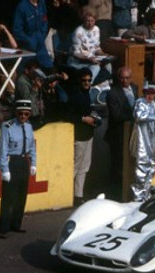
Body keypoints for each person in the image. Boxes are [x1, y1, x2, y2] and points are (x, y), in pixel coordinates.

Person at [0, 100, 37, 239]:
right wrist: (5, 170)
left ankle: (16, 224)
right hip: (11, 162)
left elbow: (32, 147)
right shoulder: (7, 127)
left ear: (29, 114)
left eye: (26, 114)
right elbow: (3, 150)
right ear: (16, 113)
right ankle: (3, 228)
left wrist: (33, 164)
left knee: (21, 196)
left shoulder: (29, 127)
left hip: (23, 162)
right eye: (20, 113)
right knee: (8, 198)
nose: (23, 116)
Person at [105, 67, 138, 201]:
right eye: (122, 78)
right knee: (118, 165)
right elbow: (116, 115)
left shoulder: (134, 88)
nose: (124, 81)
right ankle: (117, 194)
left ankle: (129, 192)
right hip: (118, 135)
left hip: (132, 134)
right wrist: (134, 116)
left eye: (127, 78)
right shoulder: (112, 93)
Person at [129, 81, 155, 202]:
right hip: (142, 143)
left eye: (152, 93)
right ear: (144, 93)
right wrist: (152, 116)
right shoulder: (139, 103)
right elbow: (139, 116)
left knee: (151, 168)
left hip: (153, 143)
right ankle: (138, 198)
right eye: (148, 93)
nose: (150, 96)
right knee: (141, 169)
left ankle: (146, 195)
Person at [67, 68, 97, 206]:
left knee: (85, 167)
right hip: (79, 136)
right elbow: (69, 115)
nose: (87, 83)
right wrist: (84, 119)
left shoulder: (87, 93)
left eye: (89, 80)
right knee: (75, 167)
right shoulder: (75, 95)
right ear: (79, 81)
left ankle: (78, 195)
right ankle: (68, 195)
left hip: (88, 134)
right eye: (84, 80)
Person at [67, 9, 112, 85]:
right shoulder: (78, 32)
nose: (90, 23)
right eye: (88, 21)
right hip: (77, 62)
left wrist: (103, 54)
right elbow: (76, 53)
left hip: (92, 58)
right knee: (96, 67)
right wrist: (89, 59)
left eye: (92, 21)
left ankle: (108, 85)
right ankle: (88, 86)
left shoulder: (96, 29)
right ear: (83, 21)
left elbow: (96, 47)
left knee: (108, 64)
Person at [13, 0, 54, 71]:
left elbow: (45, 21)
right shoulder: (22, 6)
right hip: (27, 48)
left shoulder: (42, 3)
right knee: (24, 72)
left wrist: (42, 35)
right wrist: (29, 40)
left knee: (50, 68)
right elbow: (17, 30)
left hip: (41, 46)